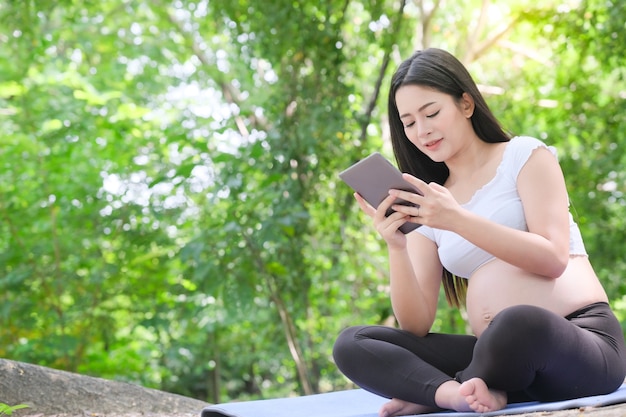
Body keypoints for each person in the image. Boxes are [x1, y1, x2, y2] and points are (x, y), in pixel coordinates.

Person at [332, 48, 626, 417]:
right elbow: (416, 323)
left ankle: (442, 389)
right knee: (353, 342)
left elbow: (552, 259)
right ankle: (456, 393)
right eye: (408, 123)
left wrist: (456, 219)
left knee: (518, 321)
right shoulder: (430, 200)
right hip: (498, 356)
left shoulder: (525, 156)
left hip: (579, 343)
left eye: (432, 113)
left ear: (466, 104)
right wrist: (396, 246)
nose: (422, 131)